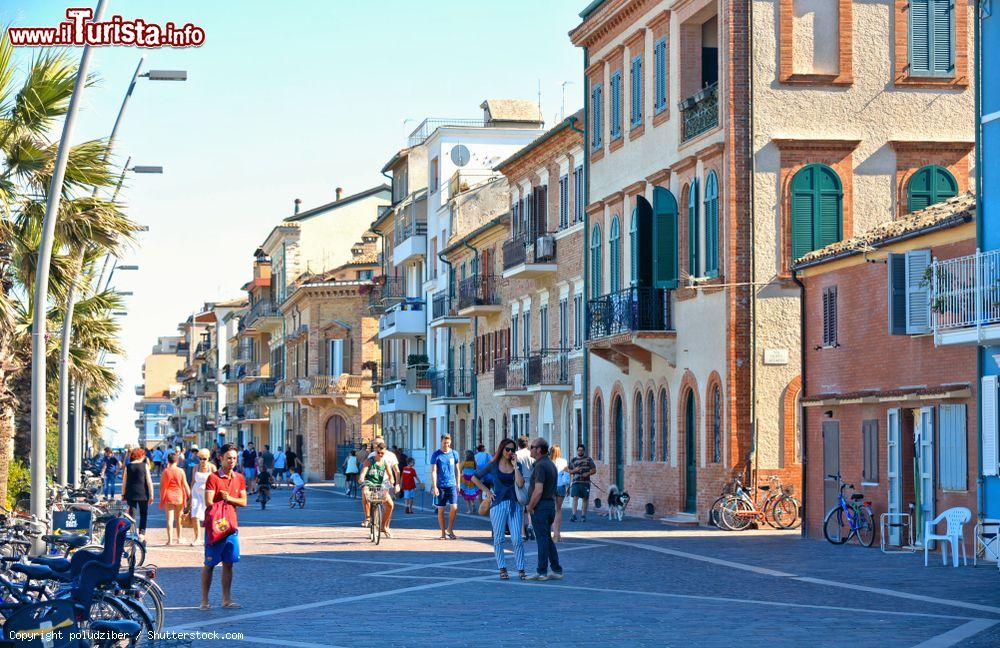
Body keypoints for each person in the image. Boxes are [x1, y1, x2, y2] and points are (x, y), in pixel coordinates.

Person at [472, 438, 527, 581]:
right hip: (497, 505)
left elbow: (520, 484)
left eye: (512, 450)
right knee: (499, 538)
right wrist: (488, 492)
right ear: (501, 449)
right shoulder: (493, 465)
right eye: (507, 449)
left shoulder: (517, 464)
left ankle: (521, 568)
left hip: (515, 504)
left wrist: (515, 466)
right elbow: (474, 478)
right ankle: (502, 568)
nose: (509, 452)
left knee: (517, 539)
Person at [201, 444, 247, 611]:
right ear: (220, 458)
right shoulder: (213, 478)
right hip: (215, 527)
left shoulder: (239, 477)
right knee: (210, 563)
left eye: (234, 458)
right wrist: (222, 499)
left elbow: (244, 502)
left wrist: (230, 499)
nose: (232, 461)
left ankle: (226, 599)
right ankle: (204, 600)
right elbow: (208, 501)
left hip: (231, 527)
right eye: (229, 458)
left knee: (229, 563)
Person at [524, 438, 563, 581]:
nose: (530, 449)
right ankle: (557, 569)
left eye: (532, 447)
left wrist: (530, 507)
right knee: (547, 538)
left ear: (539, 449)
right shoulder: (550, 464)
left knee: (542, 539)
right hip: (549, 506)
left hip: (540, 507)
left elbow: (538, 490)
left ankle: (541, 571)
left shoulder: (540, 466)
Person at [358, 442, 395, 537]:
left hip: (380, 485)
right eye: (379, 453)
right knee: (365, 492)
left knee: (390, 505)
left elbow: (391, 475)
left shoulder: (385, 463)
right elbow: (364, 471)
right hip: (369, 482)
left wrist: (392, 480)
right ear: (375, 451)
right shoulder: (369, 461)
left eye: (382, 453)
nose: (380, 455)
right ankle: (368, 517)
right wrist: (361, 477)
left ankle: (383, 526)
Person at [430, 435, 460, 540]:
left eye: (448, 443)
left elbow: (457, 470)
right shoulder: (436, 455)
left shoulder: (454, 454)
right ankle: (443, 533)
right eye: (444, 443)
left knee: (454, 508)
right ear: (441, 442)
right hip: (440, 485)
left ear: (450, 442)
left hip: (452, 485)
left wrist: (458, 483)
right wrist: (434, 486)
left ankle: (450, 529)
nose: (446, 445)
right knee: (441, 510)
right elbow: (433, 471)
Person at [121, 448, 154, 542]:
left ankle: (133, 532)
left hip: (130, 493)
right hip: (143, 493)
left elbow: (124, 481)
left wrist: (123, 494)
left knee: (132, 515)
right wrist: (151, 495)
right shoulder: (145, 466)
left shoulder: (128, 466)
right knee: (144, 514)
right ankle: (142, 534)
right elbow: (149, 481)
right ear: (141, 455)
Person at [159, 452, 191, 546]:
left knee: (169, 519)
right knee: (179, 518)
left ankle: (170, 540)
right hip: (179, 496)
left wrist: (162, 495)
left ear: (168, 460)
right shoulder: (180, 471)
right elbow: (185, 484)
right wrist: (190, 496)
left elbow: (161, 485)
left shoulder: (166, 471)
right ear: (176, 460)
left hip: (169, 496)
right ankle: (179, 537)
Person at [190, 448, 216, 547]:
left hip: (208, 494)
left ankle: (210, 537)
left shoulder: (212, 467)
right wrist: (190, 496)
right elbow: (193, 481)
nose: (202, 461)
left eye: (204, 458)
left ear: (208, 458)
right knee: (195, 515)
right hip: (196, 493)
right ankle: (197, 538)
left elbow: (217, 481)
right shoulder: (196, 467)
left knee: (209, 516)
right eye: (200, 458)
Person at [568, 444, 597, 523]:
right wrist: (575, 470)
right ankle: (574, 515)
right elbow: (569, 471)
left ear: (584, 451)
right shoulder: (573, 460)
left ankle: (583, 516)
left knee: (585, 499)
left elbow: (594, 470)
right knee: (575, 498)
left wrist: (587, 474)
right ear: (577, 451)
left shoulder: (588, 459)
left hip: (585, 482)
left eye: (581, 450)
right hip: (576, 482)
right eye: (578, 450)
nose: (580, 451)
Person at [514, 436, 535, 540]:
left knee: (520, 508)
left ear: (518, 444)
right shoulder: (531, 454)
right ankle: (531, 525)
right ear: (527, 444)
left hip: (520, 482)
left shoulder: (516, 455)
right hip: (531, 482)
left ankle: (522, 533)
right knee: (530, 506)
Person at [551, 445, 570, 542]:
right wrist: (568, 487)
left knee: (552, 511)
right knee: (558, 510)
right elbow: (567, 475)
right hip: (561, 486)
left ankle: (554, 534)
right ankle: (558, 534)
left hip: (552, 487)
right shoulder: (564, 461)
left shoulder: (550, 462)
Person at [459, 450, 480, 514]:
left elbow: (459, 470)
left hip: (465, 479)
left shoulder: (464, 462)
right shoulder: (474, 462)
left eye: (465, 454)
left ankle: (469, 510)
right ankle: (473, 503)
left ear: (466, 456)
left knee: (466, 495)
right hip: (472, 479)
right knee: (471, 493)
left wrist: (461, 474)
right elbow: (477, 470)